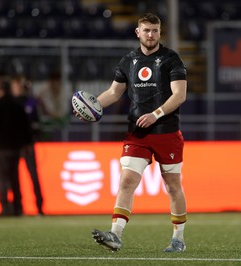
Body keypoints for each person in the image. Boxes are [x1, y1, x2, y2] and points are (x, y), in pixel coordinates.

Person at [87, 13, 188, 252]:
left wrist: (156, 114)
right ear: (138, 32)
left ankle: (178, 238)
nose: (150, 35)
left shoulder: (171, 59)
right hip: (137, 134)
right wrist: (94, 106)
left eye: (154, 30)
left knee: (173, 186)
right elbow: (114, 92)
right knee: (126, 181)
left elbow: (180, 95)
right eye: (146, 30)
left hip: (166, 131)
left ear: (159, 32)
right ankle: (115, 235)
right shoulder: (127, 61)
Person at [0, 74, 32, 216]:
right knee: (14, 178)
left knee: (1, 178)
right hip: (15, 148)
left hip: (1, 148)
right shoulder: (17, 106)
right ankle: (18, 207)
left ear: (0, 91)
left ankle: (5, 207)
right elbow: (26, 127)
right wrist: (26, 144)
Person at [10, 74, 44, 215]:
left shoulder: (30, 102)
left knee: (34, 176)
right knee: (14, 177)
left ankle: (40, 206)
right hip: (15, 145)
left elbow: (36, 122)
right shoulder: (11, 103)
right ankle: (18, 207)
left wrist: (32, 139)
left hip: (28, 145)